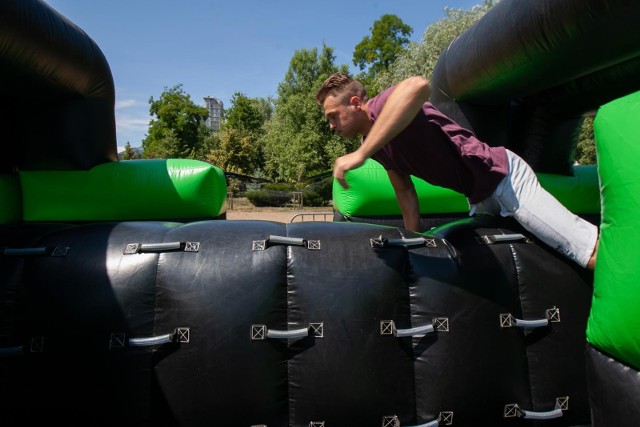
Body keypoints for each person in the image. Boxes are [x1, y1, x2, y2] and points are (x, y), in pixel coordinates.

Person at [316, 73, 599, 270]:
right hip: (479, 198)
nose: (331, 126)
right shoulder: (372, 144)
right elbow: (403, 189)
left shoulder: (382, 105)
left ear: (354, 104)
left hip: (504, 178)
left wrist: (359, 155)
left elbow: (418, 85)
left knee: (583, 251)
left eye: (332, 116)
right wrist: (413, 241)